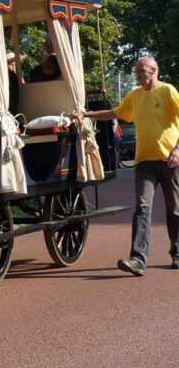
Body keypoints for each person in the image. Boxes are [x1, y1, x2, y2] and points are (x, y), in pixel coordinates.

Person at [70, 57, 179, 275]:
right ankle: (138, 259)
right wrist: (86, 114)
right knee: (142, 207)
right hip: (144, 162)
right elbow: (115, 113)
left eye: (141, 70)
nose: (138, 74)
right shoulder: (135, 96)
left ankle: (177, 252)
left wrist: (178, 148)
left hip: (170, 159)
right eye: (136, 70)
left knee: (174, 209)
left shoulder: (168, 91)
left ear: (154, 70)